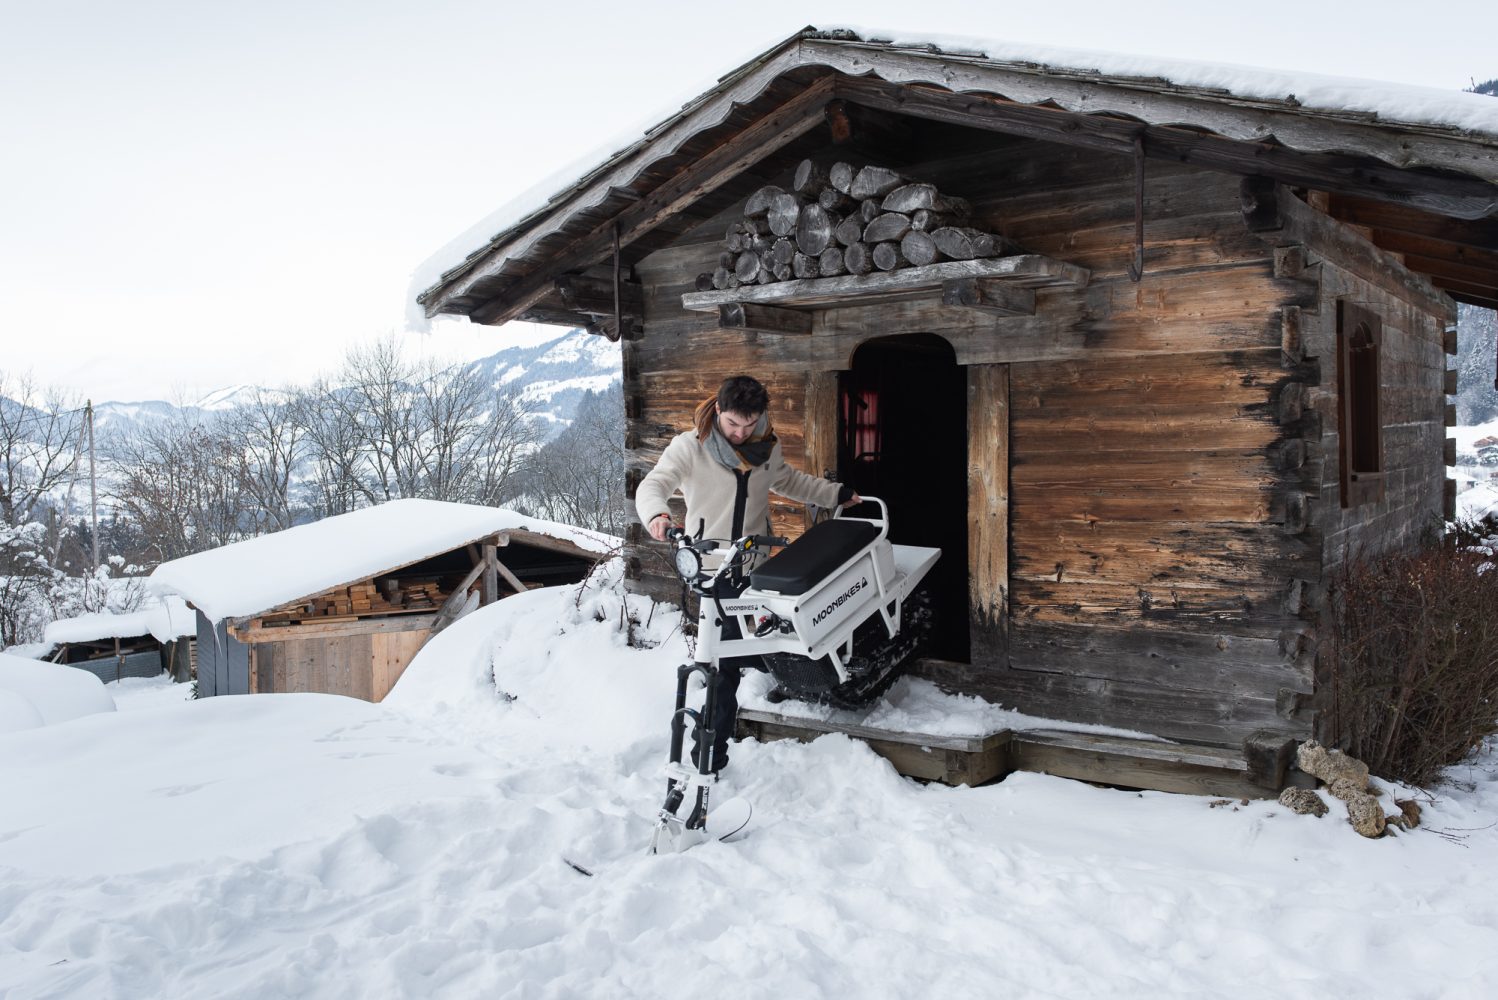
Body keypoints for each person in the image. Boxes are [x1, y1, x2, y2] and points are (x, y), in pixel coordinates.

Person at [636, 375, 859, 773]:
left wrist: (836, 494)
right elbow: (654, 483)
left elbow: (789, 481)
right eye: (733, 425)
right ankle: (708, 760)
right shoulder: (691, 448)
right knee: (724, 671)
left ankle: (809, 682)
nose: (741, 434)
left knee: (765, 647)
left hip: (755, 571)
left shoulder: (766, 448)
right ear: (718, 411)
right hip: (712, 572)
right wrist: (656, 514)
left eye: (749, 424)